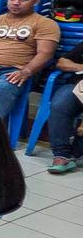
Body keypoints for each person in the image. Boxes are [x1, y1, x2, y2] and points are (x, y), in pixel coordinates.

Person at [45, 40, 83, 174]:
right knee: (60, 103)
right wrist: (80, 67)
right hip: (77, 85)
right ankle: (61, 155)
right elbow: (62, 62)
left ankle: (75, 152)